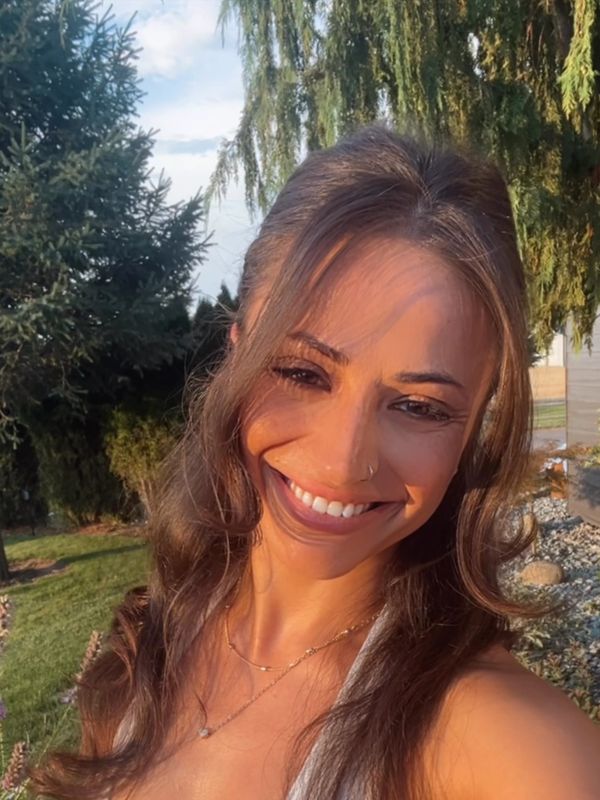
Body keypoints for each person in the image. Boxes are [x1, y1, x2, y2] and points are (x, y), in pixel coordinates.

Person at [33, 125, 600, 800]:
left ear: (475, 427)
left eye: (419, 406)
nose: (343, 462)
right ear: (237, 356)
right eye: (302, 373)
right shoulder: (146, 649)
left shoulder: (507, 744)